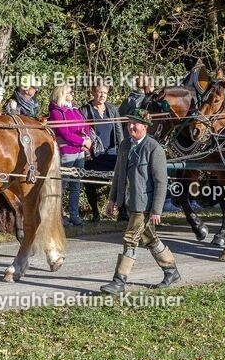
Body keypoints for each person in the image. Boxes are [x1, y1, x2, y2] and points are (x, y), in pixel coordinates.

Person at [99, 108, 179, 294]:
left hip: (144, 205)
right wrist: (112, 200)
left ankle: (119, 281)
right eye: (129, 123)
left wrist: (156, 210)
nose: (131, 127)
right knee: (149, 238)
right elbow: (118, 174)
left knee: (130, 239)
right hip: (129, 202)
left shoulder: (154, 148)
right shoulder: (125, 145)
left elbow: (161, 182)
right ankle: (171, 271)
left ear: (145, 127)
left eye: (135, 123)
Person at [80, 81, 124, 222]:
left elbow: (119, 131)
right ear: (93, 92)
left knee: (121, 179)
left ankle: (122, 211)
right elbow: (81, 131)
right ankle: (95, 213)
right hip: (93, 154)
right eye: (99, 92)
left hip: (111, 152)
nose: (102, 95)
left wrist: (122, 149)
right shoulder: (85, 110)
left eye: (105, 92)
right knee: (89, 183)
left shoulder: (112, 109)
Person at [49, 83, 92, 226]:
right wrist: (82, 141)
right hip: (67, 151)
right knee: (62, 184)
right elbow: (65, 133)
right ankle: (57, 216)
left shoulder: (74, 108)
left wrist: (87, 138)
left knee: (76, 184)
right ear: (62, 93)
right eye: (70, 92)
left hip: (79, 150)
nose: (73, 94)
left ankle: (74, 214)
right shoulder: (56, 112)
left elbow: (85, 125)